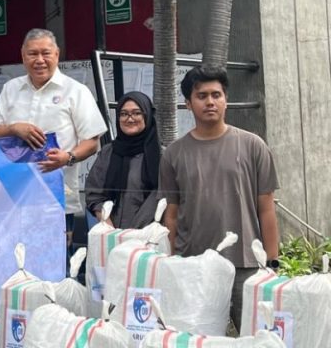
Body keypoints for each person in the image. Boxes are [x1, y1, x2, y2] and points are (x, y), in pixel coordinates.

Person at [160, 65, 279, 331]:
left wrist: (272, 263)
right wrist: (171, 264)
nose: (210, 102)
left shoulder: (252, 145)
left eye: (216, 94)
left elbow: (267, 209)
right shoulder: (174, 154)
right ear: (188, 104)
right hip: (194, 266)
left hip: (246, 265)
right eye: (201, 96)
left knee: (257, 336)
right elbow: (171, 216)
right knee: (196, 338)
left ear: (226, 100)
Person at [0, 28, 107, 276]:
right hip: (14, 197)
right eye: (32, 53)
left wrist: (68, 157)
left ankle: (54, 313)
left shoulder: (75, 91)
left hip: (56, 198)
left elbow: (92, 141)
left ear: (57, 54)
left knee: (55, 265)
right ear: (22, 56)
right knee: (14, 263)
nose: (39, 60)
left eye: (45, 53)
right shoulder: (11, 89)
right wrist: (14, 128)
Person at [85, 91, 161, 228]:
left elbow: (164, 197)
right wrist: (110, 229)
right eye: (124, 114)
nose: (130, 119)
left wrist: (136, 232)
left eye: (137, 113)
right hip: (112, 235)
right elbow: (94, 194)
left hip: (151, 237)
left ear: (147, 116)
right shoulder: (108, 153)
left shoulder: (163, 156)